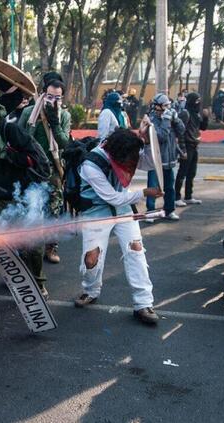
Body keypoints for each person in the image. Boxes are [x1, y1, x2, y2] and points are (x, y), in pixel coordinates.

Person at [73, 127, 163, 324]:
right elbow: (112, 197)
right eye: (129, 161)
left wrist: (148, 144)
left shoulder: (127, 149)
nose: (132, 164)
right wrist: (144, 193)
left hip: (123, 210)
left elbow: (149, 162)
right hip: (96, 211)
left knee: (136, 250)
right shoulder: (92, 164)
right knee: (91, 258)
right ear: (116, 155)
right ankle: (90, 290)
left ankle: (143, 303)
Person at [0, 102, 51, 297]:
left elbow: (35, 159)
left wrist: (7, 154)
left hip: (25, 193)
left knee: (32, 241)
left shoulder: (11, 131)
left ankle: (37, 282)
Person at [18, 76, 71, 264]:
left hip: (53, 171)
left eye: (57, 98)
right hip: (32, 169)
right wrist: (38, 122)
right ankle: (29, 249)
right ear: (42, 94)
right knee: (30, 210)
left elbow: (64, 142)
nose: (53, 101)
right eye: (50, 97)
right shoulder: (28, 113)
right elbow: (20, 138)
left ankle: (51, 246)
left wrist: (54, 123)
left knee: (53, 211)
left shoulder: (63, 115)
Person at [146, 93, 185, 220]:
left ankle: (169, 210)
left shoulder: (170, 117)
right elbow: (161, 136)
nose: (168, 108)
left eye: (168, 105)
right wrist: (167, 120)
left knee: (169, 186)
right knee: (153, 186)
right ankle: (150, 212)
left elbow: (181, 130)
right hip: (156, 159)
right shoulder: (151, 119)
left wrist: (176, 119)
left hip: (169, 159)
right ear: (157, 106)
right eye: (165, 105)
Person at [175, 92, 209, 207]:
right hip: (187, 146)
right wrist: (182, 149)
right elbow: (180, 131)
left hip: (194, 145)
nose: (198, 104)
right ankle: (176, 197)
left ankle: (188, 196)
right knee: (182, 172)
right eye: (196, 101)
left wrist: (206, 117)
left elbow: (202, 127)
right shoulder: (185, 113)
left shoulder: (196, 113)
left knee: (192, 172)